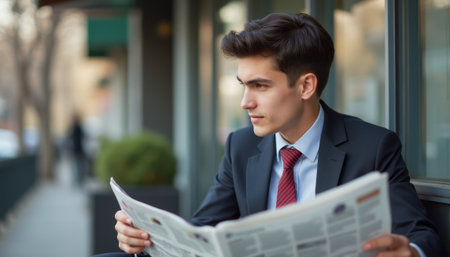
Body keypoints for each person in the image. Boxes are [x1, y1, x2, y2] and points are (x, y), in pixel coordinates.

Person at [96, 13, 443, 257]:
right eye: (243, 85)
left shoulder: (373, 147)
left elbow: (422, 235)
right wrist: (146, 238)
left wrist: (411, 252)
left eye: (260, 85)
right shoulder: (240, 146)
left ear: (306, 85)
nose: (246, 102)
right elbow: (203, 229)